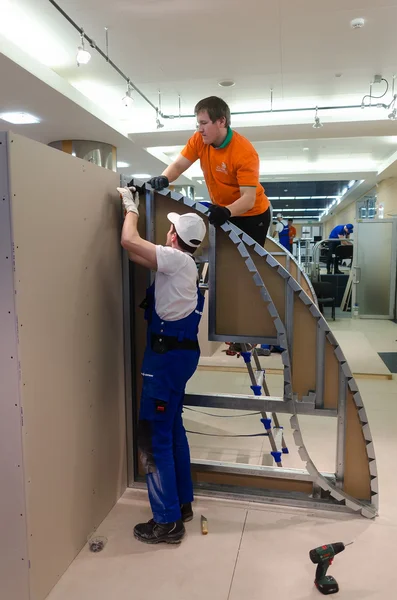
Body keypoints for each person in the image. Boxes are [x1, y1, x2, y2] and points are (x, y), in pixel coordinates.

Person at [117, 185, 206, 544]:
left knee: (153, 437)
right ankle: (181, 503)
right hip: (180, 357)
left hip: (165, 360)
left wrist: (130, 206)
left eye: (169, 229)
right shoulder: (187, 265)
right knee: (171, 429)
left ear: (174, 236)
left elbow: (128, 241)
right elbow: (141, 256)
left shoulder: (176, 260)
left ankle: (167, 522)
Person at [147, 96, 271, 246]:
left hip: (252, 216)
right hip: (224, 211)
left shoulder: (244, 152)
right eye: (198, 123)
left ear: (221, 121)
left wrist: (227, 211)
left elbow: (248, 199)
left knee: (245, 268)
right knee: (222, 262)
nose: (200, 129)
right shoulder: (199, 140)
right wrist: (164, 178)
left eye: (204, 123)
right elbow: (179, 165)